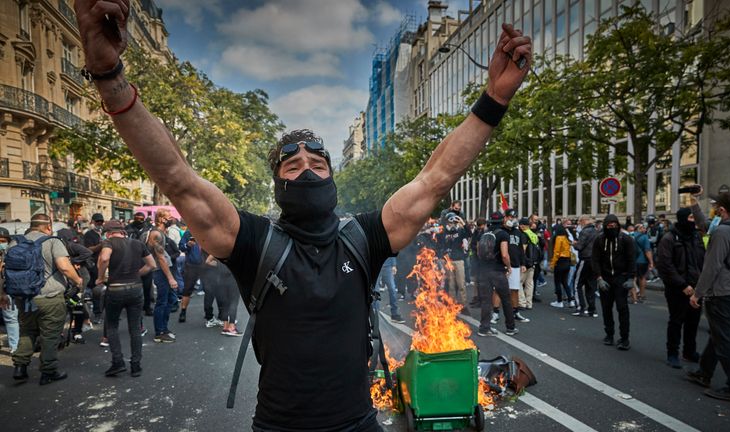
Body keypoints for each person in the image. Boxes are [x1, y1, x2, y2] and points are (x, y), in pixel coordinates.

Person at [74, 3, 531, 427]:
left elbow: (436, 177)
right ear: (278, 185)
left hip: (358, 422)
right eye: (293, 166)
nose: (308, 171)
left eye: (318, 164)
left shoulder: (364, 236)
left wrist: (494, 97)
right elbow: (177, 177)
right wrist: (108, 74)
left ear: (332, 175)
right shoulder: (254, 242)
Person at [686, 192, 730, 403]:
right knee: (718, 335)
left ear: (722, 210)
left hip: (722, 292)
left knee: (724, 340)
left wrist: (697, 293)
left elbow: (711, 267)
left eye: (715, 206)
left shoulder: (722, 232)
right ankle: (704, 372)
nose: (712, 208)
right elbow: (705, 225)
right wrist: (694, 202)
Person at [10, 214, 83, 384]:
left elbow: (4, 268)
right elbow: (64, 267)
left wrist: (2, 294)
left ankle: (20, 368)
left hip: (24, 297)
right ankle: (48, 371)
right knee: (50, 335)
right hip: (50, 297)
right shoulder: (52, 241)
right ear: (48, 226)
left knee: (27, 331)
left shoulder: (16, 242)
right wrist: (78, 281)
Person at [95, 220, 156, 377]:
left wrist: (100, 277)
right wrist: (136, 274)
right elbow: (151, 265)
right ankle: (136, 365)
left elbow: (104, 258)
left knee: (112, 326)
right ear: (122, 231)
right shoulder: (137, 243)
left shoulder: (109, 242)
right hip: (136, 289)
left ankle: (118, 362)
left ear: (108, 233)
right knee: (135, 328)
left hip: (115, 289)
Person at [656, 206, 705, 369]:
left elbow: (702, 260)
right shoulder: (669, 238)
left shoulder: (697, 237)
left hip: (696, 288)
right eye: (691, 218)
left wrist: (700, 285)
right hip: (677, 288)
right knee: (676, 321)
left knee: (693, 321)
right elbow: (665, 265)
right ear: (683, 219)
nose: (694, 221)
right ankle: (672, 353)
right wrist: (682, 285)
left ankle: (689, 352)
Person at [592, 214, 635, 351]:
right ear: (605, 226)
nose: (612, 228)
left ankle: (625, 338)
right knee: (606, 308)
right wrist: (599, 278)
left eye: (614, 226)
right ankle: (609, 334)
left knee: (622, 308)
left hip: (621, 278)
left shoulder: (626, 239)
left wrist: (630, 278)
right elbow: (595, 260)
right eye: (609, 226)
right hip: (605, 278)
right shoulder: (599, 240)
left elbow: (631, 259)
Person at [477, 212, 519, 337]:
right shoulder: (503, 234)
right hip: (498, 271)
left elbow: (479, 252)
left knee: (486, 301)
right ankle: (510, 328)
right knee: (506, 299)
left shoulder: (484, 233)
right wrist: (509, 267)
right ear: (502, 221)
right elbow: (505, 254)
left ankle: (484, 329)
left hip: (484, 271)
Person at [144, 209, 179, 343]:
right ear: (161, 219)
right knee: (162, 301)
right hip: (161, 272)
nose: (172, 219)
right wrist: (170, 278)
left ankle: (164, 329)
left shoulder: (162, 233)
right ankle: (159, 332)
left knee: (170, 300)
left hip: (165, 270)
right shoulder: (156, 234)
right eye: (169, 217)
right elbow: (160, 258)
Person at [572, 215, 598, 318]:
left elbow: (579, 246)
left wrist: (574, 243)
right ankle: (592, 309)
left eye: (580, 221)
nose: (579, 224)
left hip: (585, 259)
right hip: (594, 261)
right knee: (590, 286)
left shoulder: (584, 231)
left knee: (577, 284)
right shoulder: (596, 231)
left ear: (584, 221)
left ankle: (580, 307)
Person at [0, 227, 19, 354]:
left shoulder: (11, 254)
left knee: (11, 318)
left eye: (2, 240)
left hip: (7, 291)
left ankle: (14, 346)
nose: (1, 243)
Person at [519, 217, 539, 311]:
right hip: (533, 262)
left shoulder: (524, 235)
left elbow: (523, 249)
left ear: (522, 225)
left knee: (519, 282)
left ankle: (522, 303)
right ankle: (529, 303)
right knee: (529, 283)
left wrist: (522, 263)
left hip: (525, 262)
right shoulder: (533, 234)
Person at [550, 225, 573, 308]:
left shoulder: (558, 238)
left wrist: (552, 264)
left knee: (557, 282)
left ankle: (559, 301)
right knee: (565, 282)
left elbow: (556, 252)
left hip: (560, 262)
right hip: (567, 261)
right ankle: (571, 300)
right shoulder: (566, 238)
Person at [376, 256, 404, 323]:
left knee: (392, 289)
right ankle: (375, 315)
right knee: (375, 291)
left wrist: (394, 265)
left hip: (387, 266)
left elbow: (391, 250)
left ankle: (394, 314)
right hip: (375, 266)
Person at [632, 223, 654, 303]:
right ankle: (642, 295)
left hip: (632, 260)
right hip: (642, 261)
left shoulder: (631, 235)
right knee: (642, 277)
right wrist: (651, 262)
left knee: (633, 278)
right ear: (639, 229)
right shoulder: (645, 237)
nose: (644, 229)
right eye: (643, 228)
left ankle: (634, 296)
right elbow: (647, 250)